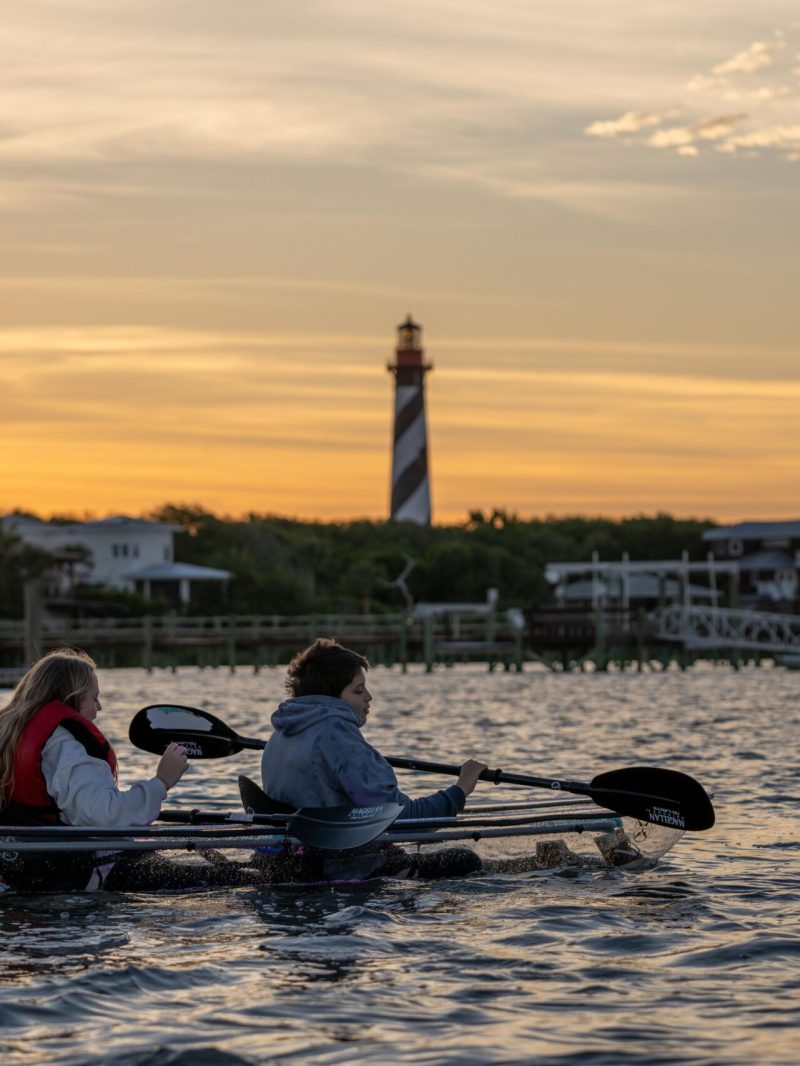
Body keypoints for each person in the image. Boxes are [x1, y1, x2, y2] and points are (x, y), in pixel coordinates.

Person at [0, 648, 256, 892]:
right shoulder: (66, 742)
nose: (98, 709)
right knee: (231, 882)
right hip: (78, 873)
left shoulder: (11, 733)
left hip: (22, 865)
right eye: (94, 698)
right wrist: (161, 782)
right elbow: (103, 817)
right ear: (72, 698)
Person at [260, 638, 488, 879]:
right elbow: (403, 818)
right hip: (341, 868)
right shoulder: (337, 735)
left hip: (297, 861)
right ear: (331, 696)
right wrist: (460, 790)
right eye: (358, 690)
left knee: (393, 850)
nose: (369, 697)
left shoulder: (280, 734)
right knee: (465, 861)